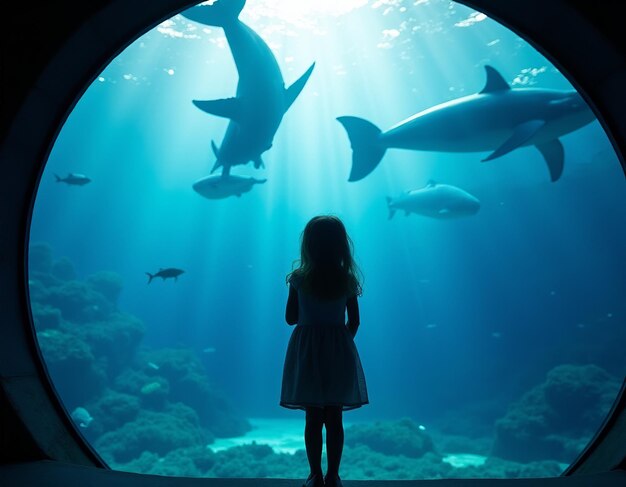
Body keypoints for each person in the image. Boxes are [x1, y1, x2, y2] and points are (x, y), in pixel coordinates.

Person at [280, 215, 369, 487]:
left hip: (307, 351)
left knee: (313, 417)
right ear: (341, 245)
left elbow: (290, 318)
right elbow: (354, 321)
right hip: (339, 351)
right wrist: (341, 344)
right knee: (335, 416)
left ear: (308, 244)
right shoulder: (347, 280)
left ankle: (314, 475)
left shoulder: (298, 279)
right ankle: (334, 475)